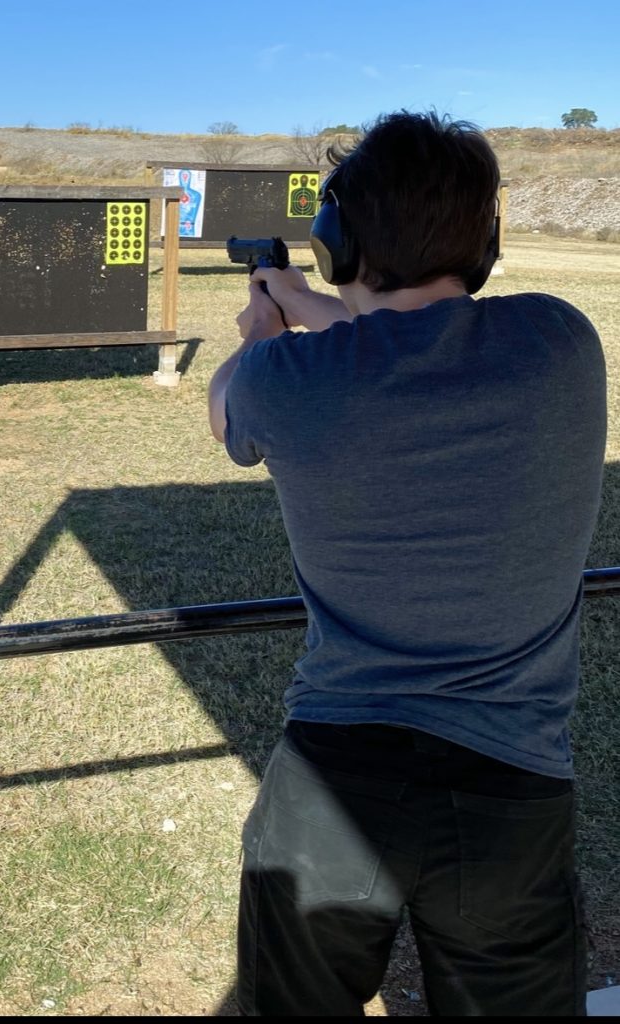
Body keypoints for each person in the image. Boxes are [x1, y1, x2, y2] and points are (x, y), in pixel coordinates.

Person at [208, 110, 606, 1016]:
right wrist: (307, 306)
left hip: (333, 785)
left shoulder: (288, 382)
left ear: (337, 242)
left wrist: (264, 327)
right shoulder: (559, 344)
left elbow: (230, 406)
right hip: (512, 795)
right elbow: (407, 334)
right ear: (488, 239)